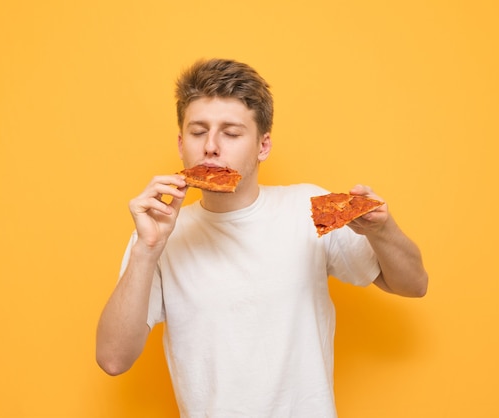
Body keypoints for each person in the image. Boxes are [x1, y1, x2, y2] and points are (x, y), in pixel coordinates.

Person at [96, 58, 428, 417]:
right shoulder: (159, 233)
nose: (210, 146)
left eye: (231, 133)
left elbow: (414, 285)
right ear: (181, 144)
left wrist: (383, 230)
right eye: (197, 132)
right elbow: (113, 359)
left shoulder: (307, 208)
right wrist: (147, 250)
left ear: (263, 145)